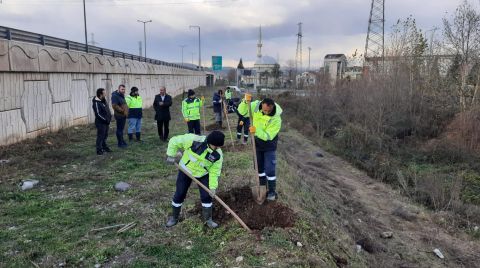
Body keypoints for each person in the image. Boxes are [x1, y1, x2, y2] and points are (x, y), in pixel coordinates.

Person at [165, 131, 225, 229]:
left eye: (219, 146)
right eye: (216, 146)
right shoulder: (194, 140)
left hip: (202, 174)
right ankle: (174, 218)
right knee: (180, 194)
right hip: (185, 170)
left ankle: (208, 220)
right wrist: (171, 155)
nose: (218, 148)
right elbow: (174, 141)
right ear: (210, 142)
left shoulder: (217, 155)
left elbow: (215, 172)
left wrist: (213, 187)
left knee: (207, 196)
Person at [239, 94, 282, 201]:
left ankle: (271, 192)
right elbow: (242, 112)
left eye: (268, 111)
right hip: (256, 144)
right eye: (264, 110)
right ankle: (262, 187)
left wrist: (256, 131)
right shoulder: (255, 105)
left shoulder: (276, 119)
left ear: (272, 107)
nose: (265, 112)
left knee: (270, 169)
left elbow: (268, 136)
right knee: (258, 168)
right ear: (261, 105)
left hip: (269, 146)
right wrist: (245, 102)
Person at [92, 88, 112, 155]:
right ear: (101, 94)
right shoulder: (96, 103)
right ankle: (99, 150)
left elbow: (106, 110)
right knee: (100, 136)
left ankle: (104, 147)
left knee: (105, 135)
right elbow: (98, 114)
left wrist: (109, 118)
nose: (105, 94)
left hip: (106, 122)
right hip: (101, 123)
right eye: (104, 93)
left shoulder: (103, 100)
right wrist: (105, 120)